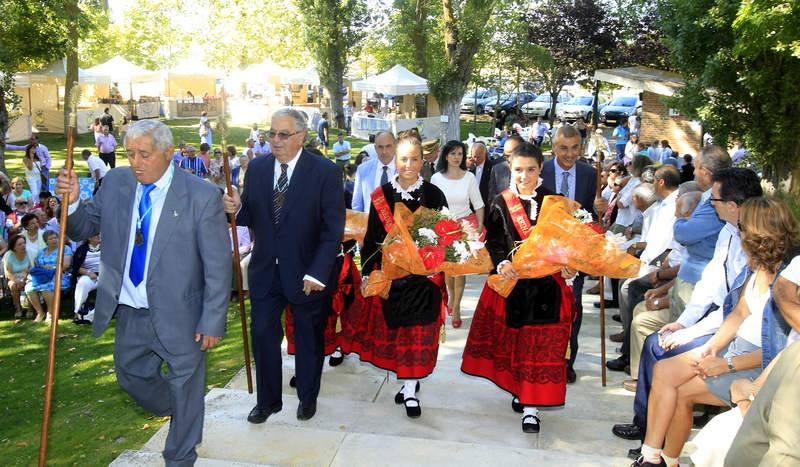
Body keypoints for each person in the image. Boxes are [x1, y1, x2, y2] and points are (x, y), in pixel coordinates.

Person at [57, 118, 232, 466]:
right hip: (131, 310)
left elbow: (217, 264)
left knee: (185, 383)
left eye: (145, 154)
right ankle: (186, 407)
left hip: (183, 313)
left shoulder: (200, 195)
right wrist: (73, 202)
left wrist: (213, 319)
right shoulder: (118, 182)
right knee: (131, 376)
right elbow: (84, 226)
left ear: (168, 153)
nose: (136, 162)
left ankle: (180, 454)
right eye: (130, 153)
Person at [633, 197, 797, 467]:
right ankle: (652, 457)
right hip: (734, 349)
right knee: (664, 370)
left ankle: (664, 460)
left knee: (683, 393)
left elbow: (783, 353)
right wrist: (710, 348)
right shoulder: (754, 270)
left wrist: (725, 364)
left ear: (757, 234)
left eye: (742, 226)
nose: (738, 232)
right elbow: (738, 314)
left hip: (759, 367)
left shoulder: (788, 281)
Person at [225, 108, 344, 424]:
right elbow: (251, 214)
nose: (275, 141)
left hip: (307, 273)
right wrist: (236, 208)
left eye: (283, 134)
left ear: (301, 136)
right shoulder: (259, 168)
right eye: (271, 134)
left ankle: (307, 397)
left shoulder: (325, 172)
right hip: (265, 271)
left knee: (307, 337)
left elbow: (332, 229)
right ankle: (267, 402)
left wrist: (318, 272)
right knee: (263, 334)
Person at [461, 142, 576, 433]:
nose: (524, 176)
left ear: (540, 169)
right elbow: (496, 244)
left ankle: (531, 408)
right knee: (516, 345)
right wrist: (500, 264)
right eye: (518, 170)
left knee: (538, 350)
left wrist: (569, 265)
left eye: (531, 169)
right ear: (510, 169)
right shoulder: (501, 201)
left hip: (547, 288)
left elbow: (566, 244)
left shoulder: (555, 201)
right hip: (514, 286)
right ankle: (520, 390)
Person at [341, 134, 448, 419]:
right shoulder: (381, 196)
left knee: (418, 334)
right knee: (399, 334)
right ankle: (407, 380)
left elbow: (445, 237)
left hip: (424, 280)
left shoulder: (434, 195)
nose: (409, 165)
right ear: (394, 160)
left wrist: (436, 265)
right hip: (392, 279)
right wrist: (370, 273)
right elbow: (374, 240)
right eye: (404, 159)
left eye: (415, 159)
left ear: (423, 160)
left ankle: (411, 388)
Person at [540, 124, 598, 383]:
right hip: (542, 253)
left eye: (575, 148)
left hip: (574, 255)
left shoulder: (589, 173)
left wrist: (599, 210)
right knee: (544, 309)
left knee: (572, 308)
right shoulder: (541, 170)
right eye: (563, 148)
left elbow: (592, 217)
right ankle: (543, 358)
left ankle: (566, 362)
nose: (569, 154)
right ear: (553, 147)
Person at [431, 140, 484, 328]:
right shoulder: (436, 178)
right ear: (446, 156)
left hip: (464, 228)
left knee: (460, 270)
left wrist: (479, 226)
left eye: (460, 154)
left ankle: (457, 307)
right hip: (443, 228)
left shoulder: (469, 177)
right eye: (453, 153)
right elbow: (432, 206)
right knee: (448, 269)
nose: (456, 157)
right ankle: (452, 297)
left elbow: (478, 204)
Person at [25, 230, 72, 322]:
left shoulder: (65, 248)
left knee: (47, 287)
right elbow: (37, 267)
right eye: (51, 238)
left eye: (56, 238)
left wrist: (52, 267)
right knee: (29, 288)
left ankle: (50, 313)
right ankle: (40, 313)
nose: (54, 240)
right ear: (46, 241)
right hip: (43, 277)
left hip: (60, 276)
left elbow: (66, 265)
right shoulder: (41, 252)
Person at [351, 131, 396, 213]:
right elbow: (357, 205)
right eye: (380, 147)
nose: (384, 151)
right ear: (375, 148)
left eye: (388, 146)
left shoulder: (405, 170)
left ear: (395, 146)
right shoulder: (363, 170)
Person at [71, 234, 101, 324]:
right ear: (89, 238)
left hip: (105, 275)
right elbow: (77, 267)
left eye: (99, 235)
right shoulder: (81, 249)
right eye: (96, 235)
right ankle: (78, 312)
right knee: (82, 284)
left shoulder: (107, 247)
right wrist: (88, 273)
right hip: (89, 275)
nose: (99, 237)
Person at [4, 234, 32, 319]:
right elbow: (8, 273)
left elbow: (31, 268)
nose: (23, 245)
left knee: (30, 285)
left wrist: (24, 279)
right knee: (13, 285)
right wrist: (17, 281)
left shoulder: (29, 253)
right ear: (14, 247)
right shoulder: (9, 255)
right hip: (13, 277)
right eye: (20, 244)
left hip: (27, 275)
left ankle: (30, 310)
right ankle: (18, 309)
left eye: (24, 243)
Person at [487, 135, 523, 201]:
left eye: (512, 155)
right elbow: (492, 198)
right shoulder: (497, 170)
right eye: (506, 156)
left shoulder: (534, 171)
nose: (509, 159)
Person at [469, 141, 494, 208]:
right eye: (474, 156)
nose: (476, 159)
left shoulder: (493, 167)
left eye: (479, 157)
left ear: (484, 154)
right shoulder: (469, 167)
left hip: (486, 205)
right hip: (471, 206)